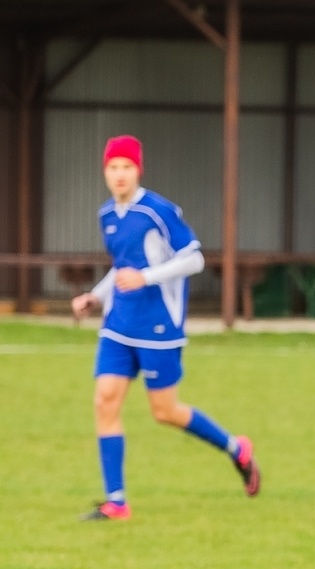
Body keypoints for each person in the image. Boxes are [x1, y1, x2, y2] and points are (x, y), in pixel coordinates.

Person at [71, 135, 259, 521]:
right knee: (105, 400)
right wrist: (95, 296)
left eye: (127, 166)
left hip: (158, 325)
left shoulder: (158, 211)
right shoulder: (107, 214)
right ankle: (116, 502)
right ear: (104, 171)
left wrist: (147, 278)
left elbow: (194, 259)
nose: (120, 174)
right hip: (118, 324)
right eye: (113, 167)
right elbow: (122, 268)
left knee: (165, 411)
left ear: (138, 170)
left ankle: (236, 448)